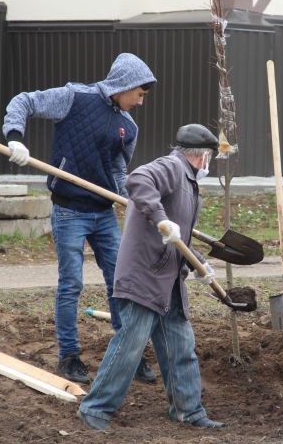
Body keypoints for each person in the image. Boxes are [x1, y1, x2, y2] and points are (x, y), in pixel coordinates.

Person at [1, 53, 158, 385]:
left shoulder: (128, 126)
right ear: (125, 85)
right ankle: (69, 357)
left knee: (121, 283)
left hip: (103, 213)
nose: (141, 101)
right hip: (69, 210)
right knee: (71, 284)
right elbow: (24, 101)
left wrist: (127, 198)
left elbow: (117, 167)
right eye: (140, 94)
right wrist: (15, 136)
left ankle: (130, 353)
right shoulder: (74, 97)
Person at [77, 123, 226, 430]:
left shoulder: (188, 181)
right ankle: (95, 408)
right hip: (145, 276)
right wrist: (161, 220)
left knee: (180, 346)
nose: (210, 164)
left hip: (168, 280)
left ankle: (189, 411)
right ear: (203, 156)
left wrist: (198, 263)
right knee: (130, 344)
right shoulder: (172, 167)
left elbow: (178, 237)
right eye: (211, 157)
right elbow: (138, 179)